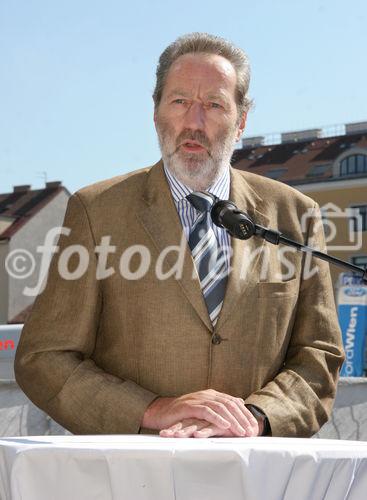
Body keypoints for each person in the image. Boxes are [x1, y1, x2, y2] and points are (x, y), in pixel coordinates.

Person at [14, 33, 344, 438]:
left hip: (256, 473)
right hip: (133, 475)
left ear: (241, 122)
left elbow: (319, 353)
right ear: (155, 114)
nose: (194, 122)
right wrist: (151, 410)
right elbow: (44, 357)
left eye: (214, 105)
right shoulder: (95, 211)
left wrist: (257, 417)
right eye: (180, 101)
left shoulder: (295, 216)